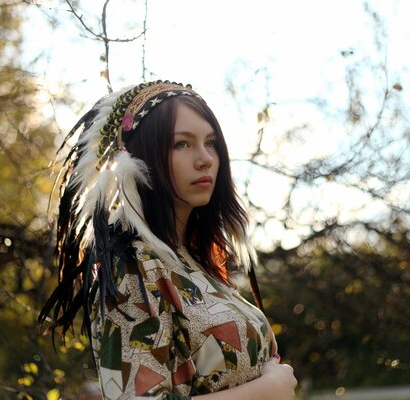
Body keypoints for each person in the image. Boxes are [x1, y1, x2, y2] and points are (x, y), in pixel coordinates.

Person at [38, 80, 297, 399]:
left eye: (211, 143)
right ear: (141, 157)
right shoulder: (131, 268)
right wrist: (270, 389)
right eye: (182, 144)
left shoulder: (193, 262)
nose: (205, 159)